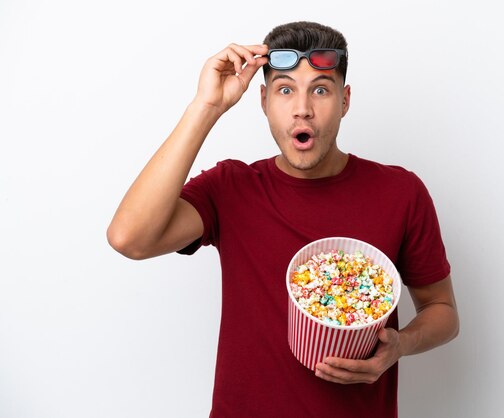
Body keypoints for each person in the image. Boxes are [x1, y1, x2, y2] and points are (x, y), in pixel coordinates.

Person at [107, 21, 459, 418]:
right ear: (263, 101)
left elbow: (442, 309)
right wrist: (206, 107)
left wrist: (401, 345)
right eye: (285, 89)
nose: (302, 108)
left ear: (344, 101)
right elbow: (129, 238)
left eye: (321, 90)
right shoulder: (231, 188)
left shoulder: (400, 192)